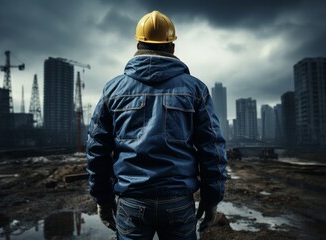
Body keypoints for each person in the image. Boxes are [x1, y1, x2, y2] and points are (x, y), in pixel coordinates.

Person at [86, 10, 227, 240]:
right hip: (178, 201)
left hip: (132, 200)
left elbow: (96, 150)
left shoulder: (112, 90)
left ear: (139, 44)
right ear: (172, 47)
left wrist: (102, 199)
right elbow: (212, 150)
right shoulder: (195, 89)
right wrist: (212, 200)